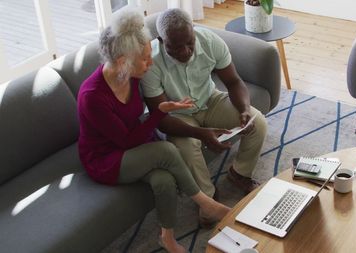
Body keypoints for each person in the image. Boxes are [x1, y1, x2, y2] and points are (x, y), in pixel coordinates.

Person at [77, 8, 229, 253]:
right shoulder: (92, 96)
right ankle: (205, 201)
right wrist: (159, 112)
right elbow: (125, 140)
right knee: (167, 150)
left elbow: (138, 125)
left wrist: (164, 107)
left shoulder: (132, 74)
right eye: (146, 59)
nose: (151, 62)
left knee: (164, 180)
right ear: (122, 62)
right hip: (107, 158)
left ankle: (166, 238)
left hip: (135, 143)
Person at [141, 8, 268, 199]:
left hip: (210, 99)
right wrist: (201, 134)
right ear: (161, 41)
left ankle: (240, 173)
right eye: (176, 47)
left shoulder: (210, 41)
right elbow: (160, 118)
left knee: (257, 122)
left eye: (189, 43)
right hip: (177, 116)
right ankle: (208, 198)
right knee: (186, 149)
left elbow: (234, 82)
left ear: (193, 30)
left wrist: (244, 109)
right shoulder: (150, 62)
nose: (185, 52)